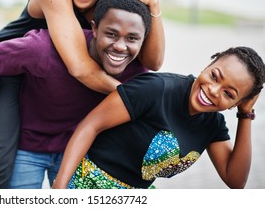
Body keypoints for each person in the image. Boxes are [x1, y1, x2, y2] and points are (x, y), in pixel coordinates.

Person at [0, 0, 165, 189]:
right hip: (7, 69)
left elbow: (153, 62)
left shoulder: (106, 6)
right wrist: (135, 100)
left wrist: (154, 4)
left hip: (41, 78)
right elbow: (80, 68)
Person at [53, 46, 265, 189]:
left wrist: (245, 115)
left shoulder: (212, 124)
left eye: (229, 94)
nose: (213, 90)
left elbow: (235, 180)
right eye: (214, 76)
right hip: (88, 183)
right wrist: (59, 191)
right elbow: (90, 126)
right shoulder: (156, 89)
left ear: (236, 103)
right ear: (206, 67)